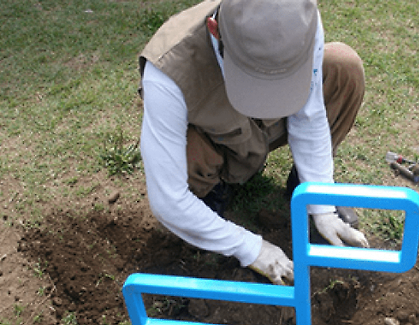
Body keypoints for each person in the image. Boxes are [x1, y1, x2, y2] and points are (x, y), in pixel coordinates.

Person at [138, 0, 369, 285]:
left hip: (267, 131)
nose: (266, 101)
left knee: (343, 65)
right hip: (218, 143)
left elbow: (309, 117)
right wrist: (249, 248)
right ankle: (212, 192)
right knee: (182, 155)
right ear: (215, 30)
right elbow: (168, 198)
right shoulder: (168, 70)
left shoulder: (299, 23)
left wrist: (321, 205)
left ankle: (303, 187)